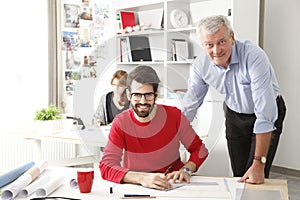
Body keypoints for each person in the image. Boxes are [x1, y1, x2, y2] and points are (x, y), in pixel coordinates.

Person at [182, 15, 286, 184]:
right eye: (209, 44)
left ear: (232, 38)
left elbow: (265, 113)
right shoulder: (201, 65)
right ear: (203, 45)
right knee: (239, 174)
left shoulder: (254, 56)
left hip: (267, 111)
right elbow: (190, 104)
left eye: (221, 42)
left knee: (257, 174)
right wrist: (169, 137)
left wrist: (259, 163)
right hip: (234, 115)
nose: (216, 50)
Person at [100, 65, 208, 190]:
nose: (142, 101)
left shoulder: (174, 116)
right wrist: (142, 178)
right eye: (137, 95)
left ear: (156, 95)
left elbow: (200, 150)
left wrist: (186, 170)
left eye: (148, 95)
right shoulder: (120, 122)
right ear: (129, 95)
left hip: (172, 184)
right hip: (137, 187)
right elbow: (107, 166)